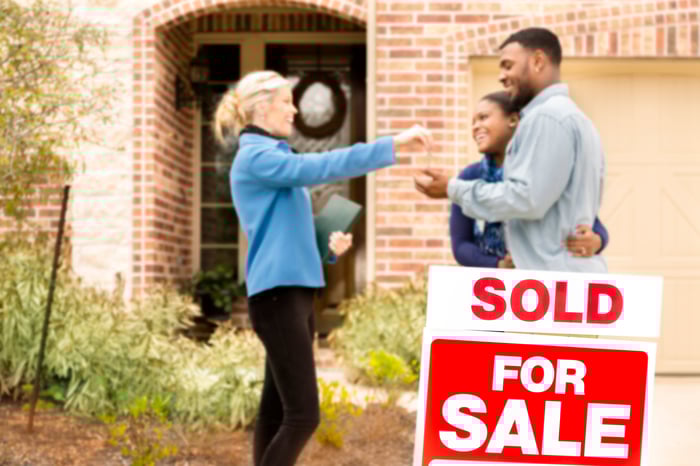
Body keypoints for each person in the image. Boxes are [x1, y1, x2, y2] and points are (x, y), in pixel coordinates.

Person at [216, 70, 432, 466]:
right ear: (263, 107)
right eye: (286, 101)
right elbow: (324, 166)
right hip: (278, 295)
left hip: (291, 292)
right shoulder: (256, 157)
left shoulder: (275, 157)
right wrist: (391, 146)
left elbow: (284, 232)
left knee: (278, 410)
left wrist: (327, 245)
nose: (294, 110)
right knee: (303, 416)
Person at [415, 27, 607, 273]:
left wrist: (452, 188)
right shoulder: (578, 120)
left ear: (538, 61)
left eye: (508, 65)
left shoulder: (547, 118)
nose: (501, 76)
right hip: (564, 281)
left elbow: (527, 199)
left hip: (550, 285)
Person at [451, 90, 609, 269]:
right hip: (490, 287)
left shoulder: (539, 171)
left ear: (513, 120)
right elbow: (460, 244)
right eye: (473, 122)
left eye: (483, 117)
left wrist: (597, 240)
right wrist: (498, 264)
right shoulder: (470, 177)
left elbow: (590, 221)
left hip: (538, 276)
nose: (476, 126)